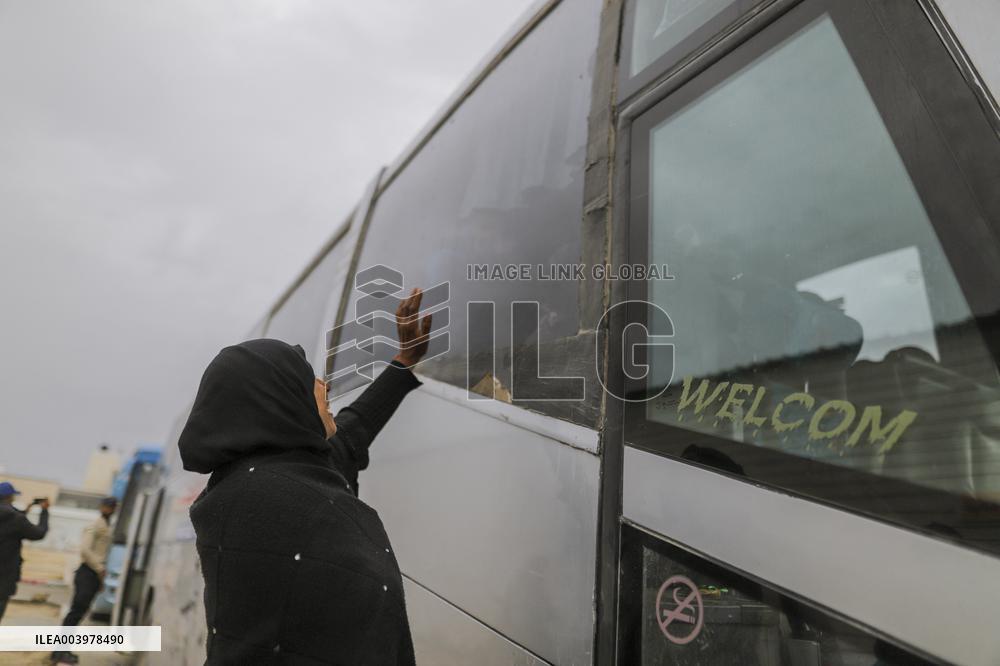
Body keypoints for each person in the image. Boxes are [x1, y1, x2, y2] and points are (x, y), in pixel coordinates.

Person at [179, 287, 432, 665]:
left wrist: (404, 360)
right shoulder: (245, 500)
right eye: (307, 378)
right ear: (278, 397)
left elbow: (356, 424)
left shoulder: (309, 470)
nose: (324, 386)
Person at [50, 495, 117, 664]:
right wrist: (99, 568)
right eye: (107, 506)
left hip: (93, 575)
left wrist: (100, 578)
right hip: (87, 573)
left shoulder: (107, 525)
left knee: (78, 614)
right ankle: (59, 652)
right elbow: (85, 550)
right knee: (75, 614)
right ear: (102, 507)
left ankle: (62, 651)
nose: (109, 509)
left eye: (112, 507)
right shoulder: (95, 525)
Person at [0, 482, 49, 622]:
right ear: (10, 497)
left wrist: (27, 510)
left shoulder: (16, 518)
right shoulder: (16, 520)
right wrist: (44, 511)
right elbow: (39, 533)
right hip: (3, 579)